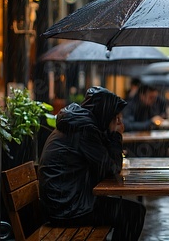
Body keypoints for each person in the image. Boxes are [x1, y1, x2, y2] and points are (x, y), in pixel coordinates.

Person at [38, 86, 146, 241]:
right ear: (105, 115)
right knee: (134, 213)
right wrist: (116, 135)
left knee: (130, 211)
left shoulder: (78, 123)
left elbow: (105, 164)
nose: (118, 121)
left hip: (65, 202)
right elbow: (112, 168)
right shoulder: (84, 131)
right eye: (115, 118)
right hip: (68, 209)